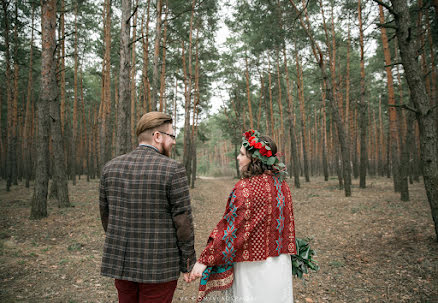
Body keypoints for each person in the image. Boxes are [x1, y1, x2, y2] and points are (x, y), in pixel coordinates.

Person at [99, 112, 196, 303]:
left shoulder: (110, 168)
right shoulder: (173, 169)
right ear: (157, 136)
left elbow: (106, 216)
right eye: (172, 136)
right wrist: (188, 262)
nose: (174, 142)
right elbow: (183, 220)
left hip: (123, 263)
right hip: (159, 267)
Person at [189, 129, 296, 302]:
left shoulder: (244, 189)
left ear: (253, 159)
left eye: (241, 154)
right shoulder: (282, 185)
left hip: (252, 268)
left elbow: (230, 230)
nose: (238, 158)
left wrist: (204, 259)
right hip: (281, 264)